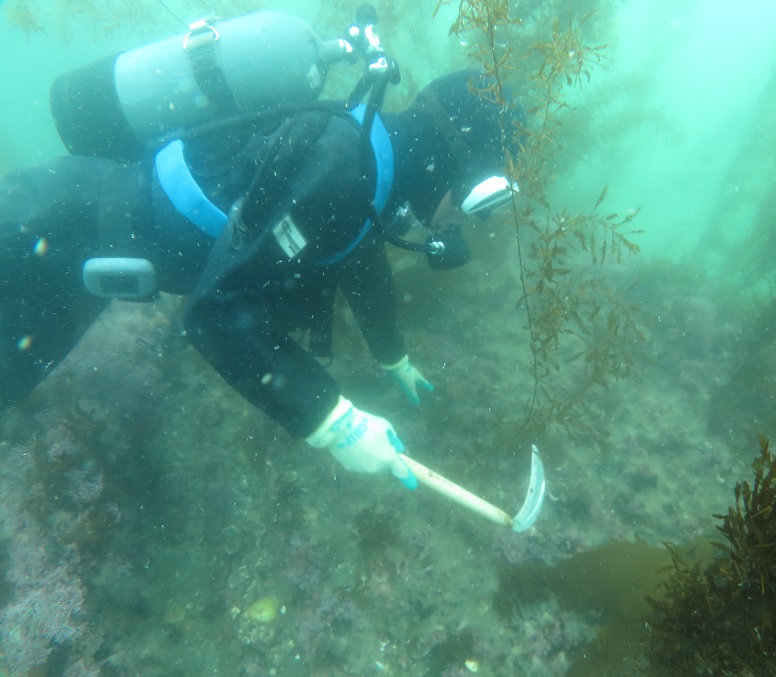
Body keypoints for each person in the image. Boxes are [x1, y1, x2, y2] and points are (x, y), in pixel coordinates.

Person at [0, 14, 522, 491]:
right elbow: (215, 315)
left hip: (73, 233)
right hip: (44, 237)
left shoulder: (368, 166)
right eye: (488, 193)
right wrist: (331, 420)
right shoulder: (342, 170)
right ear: (454, 162)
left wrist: (393, 357)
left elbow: (361, 260)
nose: (474, 218)